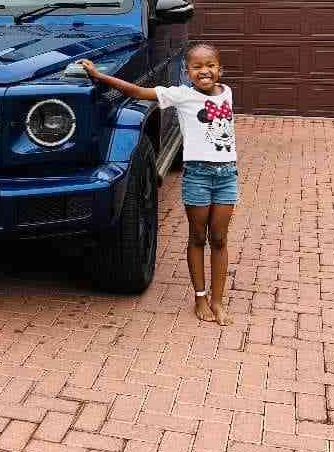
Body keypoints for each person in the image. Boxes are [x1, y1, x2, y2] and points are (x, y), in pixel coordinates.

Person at [79, 43, 237, 325]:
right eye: (197, 67)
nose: (205, 71)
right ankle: (200, 297)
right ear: (187, 73)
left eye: (211, 65)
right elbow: (139, 92)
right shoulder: (181, 95)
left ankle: (217, 301)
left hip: (227, 176)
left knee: (220, 238)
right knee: (198, 237)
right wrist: (100, 76)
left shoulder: (227, 92)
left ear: (220, 70)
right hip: (198, 176)